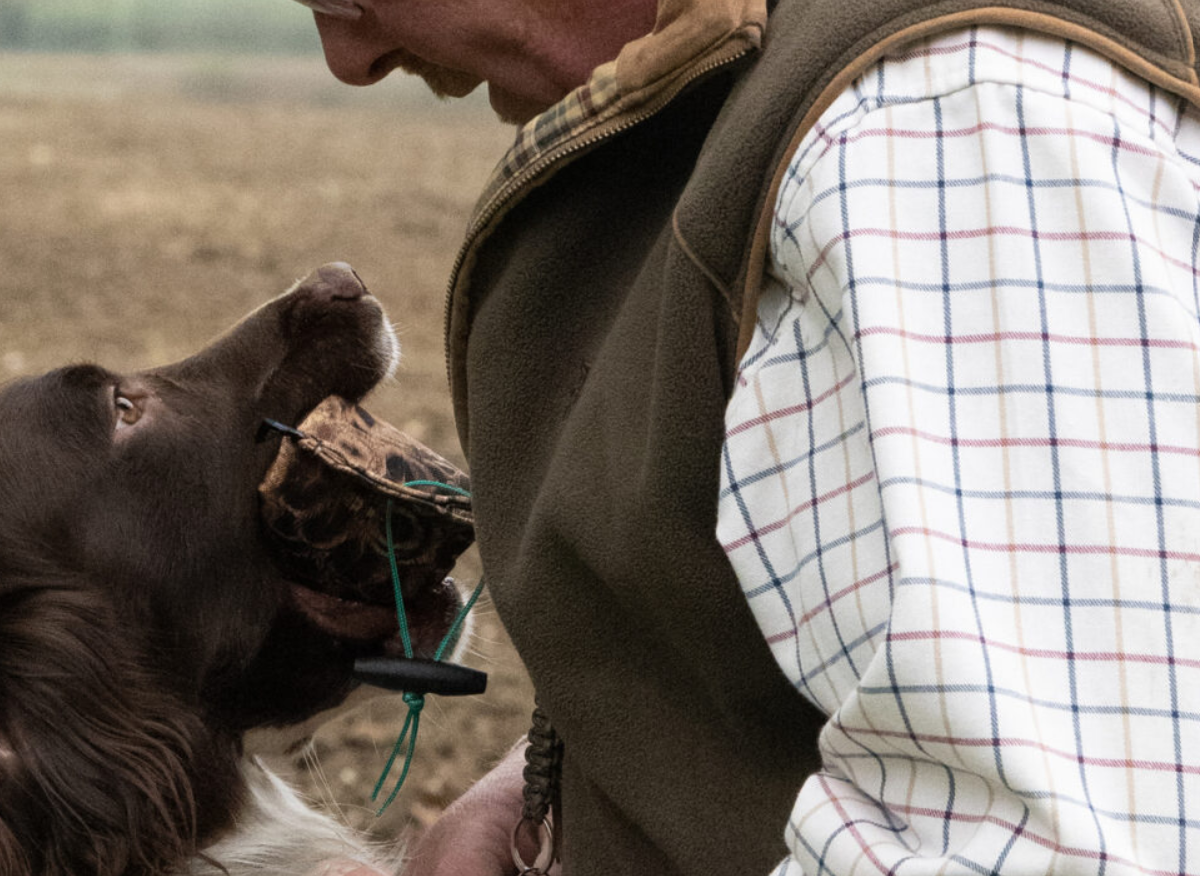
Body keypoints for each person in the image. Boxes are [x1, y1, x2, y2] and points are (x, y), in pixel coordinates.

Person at [285, 0, 1200, 873]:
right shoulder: (794, 106)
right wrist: (566, 788)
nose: (348, 60)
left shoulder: (932, 129)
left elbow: (1051, 848)